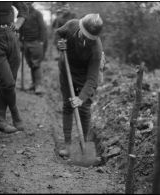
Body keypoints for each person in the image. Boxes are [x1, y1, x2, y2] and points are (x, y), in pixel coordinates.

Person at [56, 13, 103, 156]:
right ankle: (68, 145)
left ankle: (84, 146)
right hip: (67, 69)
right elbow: (58, 33)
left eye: (91, 39)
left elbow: (92, 79)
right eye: (86, 36)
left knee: (84, 108)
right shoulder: (71, 25)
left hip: (85, 74)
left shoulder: (96, 49)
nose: (88, 40)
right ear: (81, 28)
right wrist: (60, 43)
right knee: (68, 104)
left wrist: (81, 98)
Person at [0, 2, 28, 133]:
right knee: (7, 82)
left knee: (10, 81)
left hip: (11, 36)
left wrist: (18, 24)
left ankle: (0, 118)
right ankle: (15, 113)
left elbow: (24, 8)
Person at [19, 2, 47, 94]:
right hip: (25, 42)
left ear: (31, 3)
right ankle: (33, 84)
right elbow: (19, 28)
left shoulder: (37, 14)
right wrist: (20, 41)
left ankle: (38, 86)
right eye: (25, 3)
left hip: (35, 42)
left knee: (36, 64)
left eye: (28, 3)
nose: (26, 4)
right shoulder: (21, 14)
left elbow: (42, 28)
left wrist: (41, 42)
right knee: (30, 64)